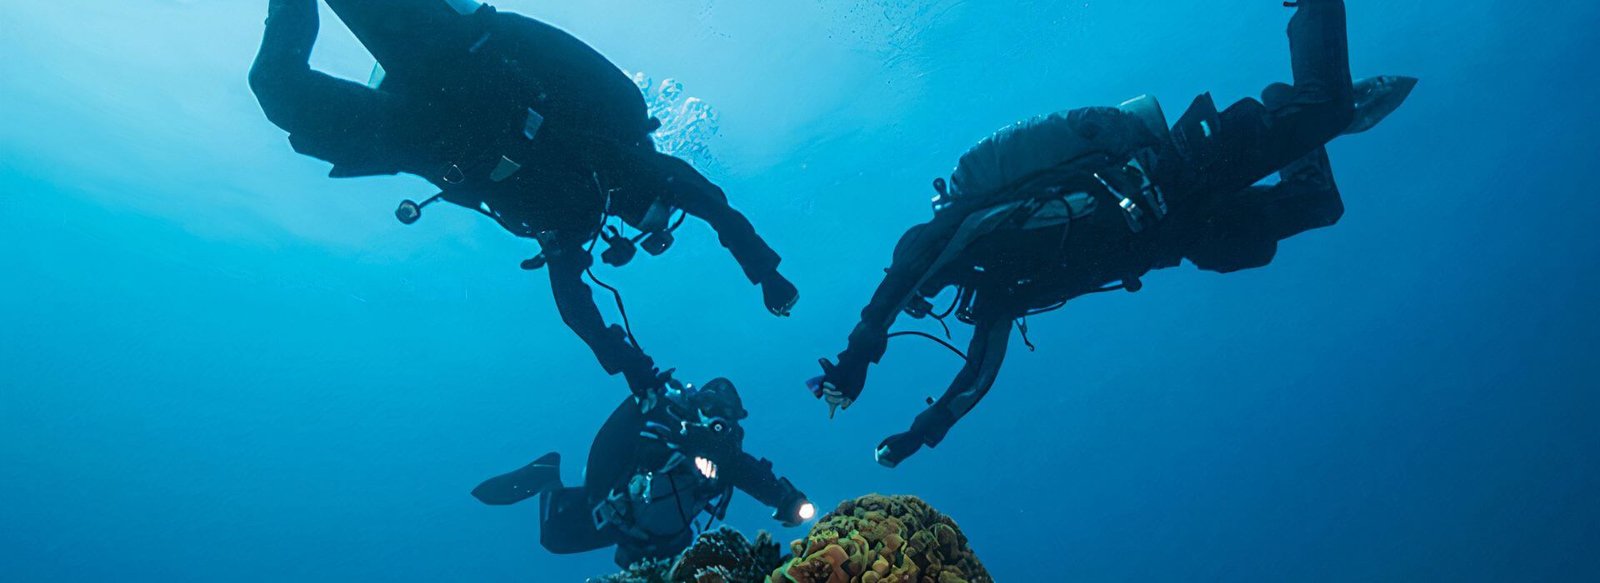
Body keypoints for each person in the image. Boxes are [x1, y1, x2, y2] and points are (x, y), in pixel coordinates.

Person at [811, 0, 1417, 467]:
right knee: (1315, 205)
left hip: (1175, 168)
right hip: (1178, 233)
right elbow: (978, 374)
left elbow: (910, 265)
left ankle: (1313, 97)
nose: (927, 298)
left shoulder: (965, 227)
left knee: (1324, 110)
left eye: (922, 291)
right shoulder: (997, 290)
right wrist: (924, 433)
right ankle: (1304, 124)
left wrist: (858, 355)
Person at [248, 0, 799, 401]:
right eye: (661, 224)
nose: (648, 227)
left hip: (428, 137)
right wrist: (764, 270)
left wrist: (629, 364)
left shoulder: (577, 220)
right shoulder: (613, 157)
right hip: (462, 69)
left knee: (276, 87)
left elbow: (572, 300)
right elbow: (706, 199)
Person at [472, 378, 815, 567]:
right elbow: (634, 445)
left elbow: (752, 474)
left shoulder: (729, 460)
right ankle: (547, 476)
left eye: (727, 417)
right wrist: (677, 456)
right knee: (554, 538)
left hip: (653, 532)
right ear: (701, 406)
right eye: (713, 410)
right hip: (621, 505)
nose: (719, 423)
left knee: (657, 557)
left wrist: (788, 500)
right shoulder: (669, 425)